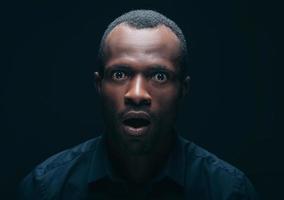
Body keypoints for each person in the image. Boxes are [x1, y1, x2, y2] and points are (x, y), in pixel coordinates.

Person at [19, 10, 257, 200]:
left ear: (183, 90)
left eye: (159, 76)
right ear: (98, 85)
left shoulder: (229, 192)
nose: (137, 94)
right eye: (120, 74)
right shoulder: (46, 189)